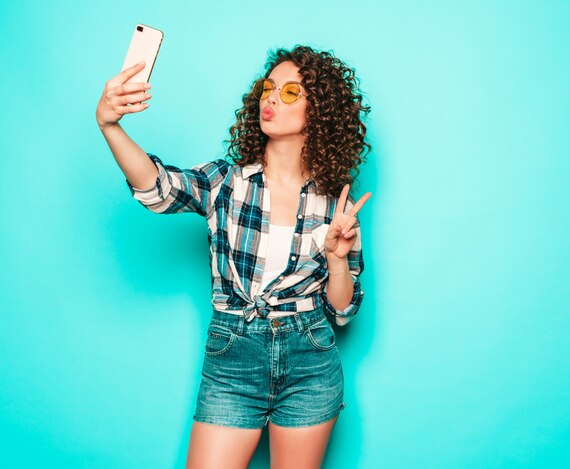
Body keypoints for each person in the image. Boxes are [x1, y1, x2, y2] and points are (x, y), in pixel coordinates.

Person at [96, 44, 372, 468]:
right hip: (233, 357)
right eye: (268, 87)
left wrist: (338, 259)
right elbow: (158, 189)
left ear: (319, 112)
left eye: (291, 93)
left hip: (309, 360)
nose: (271, 98)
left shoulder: (334, 204)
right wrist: (111, 126)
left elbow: (342, 311)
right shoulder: (226, 181)